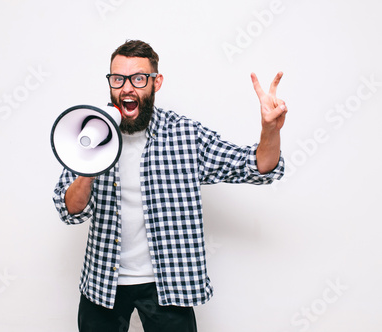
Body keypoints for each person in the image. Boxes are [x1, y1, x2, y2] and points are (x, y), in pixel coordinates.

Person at [53, 40, 287, 332]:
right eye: (118, 79)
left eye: (138, 78)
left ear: (156, 82)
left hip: (168, 284)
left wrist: (269, 131)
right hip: (103, 282)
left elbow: (257, 167)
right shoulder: (86, 129)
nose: (127, 88)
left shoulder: (185, 135)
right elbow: (70, 209)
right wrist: (89, 162)